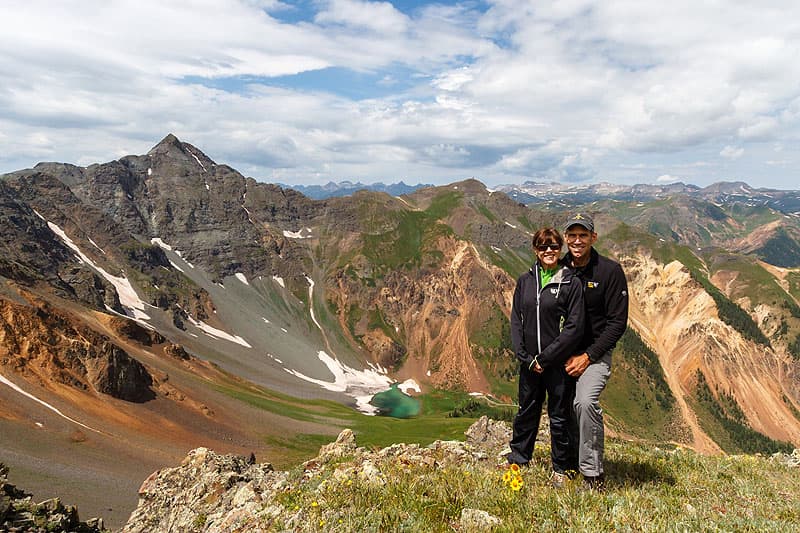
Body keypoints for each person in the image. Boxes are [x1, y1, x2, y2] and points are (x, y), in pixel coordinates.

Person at [507, 227, 585, 487]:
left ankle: (562, 469)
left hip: (557, 364)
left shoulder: (570, 282)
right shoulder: (525, 281)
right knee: (526, 411)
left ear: (560, 249)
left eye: (553, 246)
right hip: (530, 363)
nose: (549, 251)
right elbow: (516, 321)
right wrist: (525, 357)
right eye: (543, 246)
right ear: (535, 250)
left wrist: (546, 358)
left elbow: (574, 328)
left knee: (560, 415)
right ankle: (518, 460)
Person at [563, 213, 629, 490]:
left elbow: (617, 323)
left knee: (585, 403)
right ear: (566, 238)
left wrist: (588, 356)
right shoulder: (557, 267)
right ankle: (563, 464)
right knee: (560, 406)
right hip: (561, 354)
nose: (577, 241)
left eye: (583, 235)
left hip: (595, 355)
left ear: (593, 237)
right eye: (572, 235)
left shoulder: (609, 272)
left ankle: (592, 476)